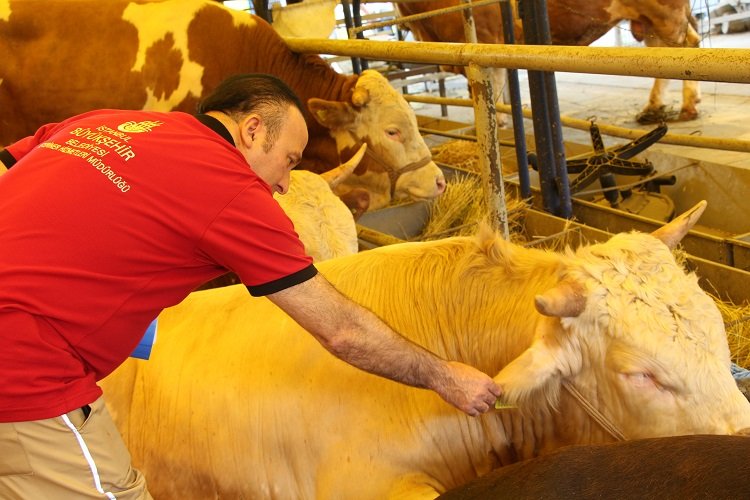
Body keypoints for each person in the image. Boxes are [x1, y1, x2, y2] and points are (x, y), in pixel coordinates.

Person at [0, 73, 501, 498]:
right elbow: (342, 332)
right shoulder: (230, 188)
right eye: (289, 159)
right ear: (253, 130)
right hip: (27, 368)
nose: (286, 183)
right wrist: (445, 377)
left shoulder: (107, 122)